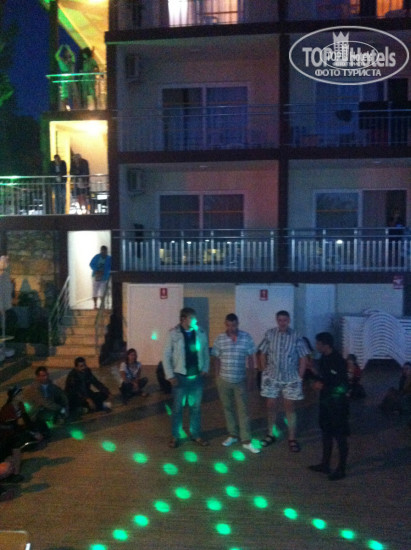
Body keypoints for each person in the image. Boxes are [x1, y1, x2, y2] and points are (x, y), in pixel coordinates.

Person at [257, 310, 309, 452]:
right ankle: (270, 433)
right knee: (270, 405)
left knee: (289, 406)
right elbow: (262, 352)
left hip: (290, 377)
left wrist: (300, 376)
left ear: (289, 320)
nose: (282, 323)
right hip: (272, 376)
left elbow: (303, 356)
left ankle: (292, 437)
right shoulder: (270, 334)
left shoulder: (296, 335)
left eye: (285, 320)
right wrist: (264, 370)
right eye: (280, 320)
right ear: (277, 320)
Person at [211, 313, 260, 453]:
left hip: (240, 380)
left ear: (237, 324)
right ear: (225, 325)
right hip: (224, 379)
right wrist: (217, 376)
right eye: (229, 325)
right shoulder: (220, 339)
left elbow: (251, 358)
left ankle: (246, 440)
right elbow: (216, 358)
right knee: (228, 408)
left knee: (243, 410)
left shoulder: (246, 337)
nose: (231, 328)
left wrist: (251, 378)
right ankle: (232, 435)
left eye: (234, 325)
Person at [163, 307, 210, 448]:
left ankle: (196, 434)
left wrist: (205, 368)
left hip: (196, 377)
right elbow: (166, 355)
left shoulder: (200, 332)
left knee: (196, 408)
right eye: (192, 318)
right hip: (180, 377)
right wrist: (170, 375)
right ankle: (175, 436)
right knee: (178, 409)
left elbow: (205, 351)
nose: (195, 320)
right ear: (183, 319)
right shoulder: (173, 334)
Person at [309, 332, 349, 481]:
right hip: (326, 403)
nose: (316, 346)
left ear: (326, 345)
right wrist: (314, 374)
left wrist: (323, 386)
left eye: (318, 343)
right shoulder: (323, 359)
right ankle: (325, 464)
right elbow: (325, 378)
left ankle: (341, 468)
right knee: (326, 433)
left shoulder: (338, 361)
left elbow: (343, 385)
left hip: (337, 406)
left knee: (340, 436)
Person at [23, 367, 69, 434]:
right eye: (43, 376)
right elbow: (44, 402)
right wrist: (60, 408)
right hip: (37, 411)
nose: (45, 377)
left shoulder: (49, 384)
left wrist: (65, 405)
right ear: (38, 377)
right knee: (46, 432)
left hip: (47, 406)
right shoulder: (35, 389)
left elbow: (60, 393)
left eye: (46, 375)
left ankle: (58, 418)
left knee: (63, 399)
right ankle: (55, 419)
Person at [55, 44, 76, 109]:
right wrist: (60, 48)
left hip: (70, 80)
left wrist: (69, 49)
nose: (67, 54)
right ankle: (65, 107)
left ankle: (72, 107)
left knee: (72, 94)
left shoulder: (71, 62)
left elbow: (73, 56)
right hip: (64, 80)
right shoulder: (61, 61)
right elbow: (56, 56)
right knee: (64, 95)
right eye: (66, 53)